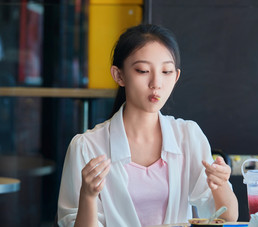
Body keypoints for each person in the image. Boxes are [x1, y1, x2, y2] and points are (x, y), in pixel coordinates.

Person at [57, 24, 238, 227]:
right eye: (143, 70)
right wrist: (88, 196)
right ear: (119, 75)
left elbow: (228, 219)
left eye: (166, 71)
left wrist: (220, 185)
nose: (156, 83)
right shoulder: (86, 146)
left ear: (176, 76)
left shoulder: (188, 136)